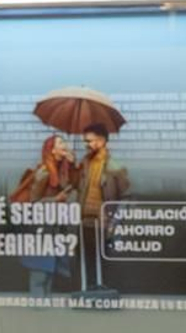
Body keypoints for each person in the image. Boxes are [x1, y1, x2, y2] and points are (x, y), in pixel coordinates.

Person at [12, 134, 79, 295]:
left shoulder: (60, 170)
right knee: (40, 274)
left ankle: (43, 306)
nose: (65, 144)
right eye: (61, 142)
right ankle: (38, 311)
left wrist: (71, 164)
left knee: (49, 273)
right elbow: (33, 204)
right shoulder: (44, 172)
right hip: (40, 230)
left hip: (52, 228)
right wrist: (55, 199)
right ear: (52, 149)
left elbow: (73, 185)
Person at [76, 122, 130, 290]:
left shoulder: (115, 167)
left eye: (89, 141)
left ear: (101, 141)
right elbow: (74, 187)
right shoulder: (84, 164)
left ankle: (104, 293)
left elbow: (127, 198)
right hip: (84, 222)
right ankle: (88, 291)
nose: (86, 145)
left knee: (104, 260)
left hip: (104, 223)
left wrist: (114, 223)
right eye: (85, 141)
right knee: (85, 259)